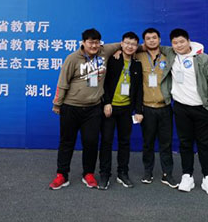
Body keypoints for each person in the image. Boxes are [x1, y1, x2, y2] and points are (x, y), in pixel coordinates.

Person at [49, 28, 122, 190]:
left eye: (97, 42)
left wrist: (121, 51)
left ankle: (88, 173)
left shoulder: (104, 51)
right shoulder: (73, 58)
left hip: (93, 109)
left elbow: (126, 44)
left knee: (91, 142)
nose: (94, 46)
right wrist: (57, 104)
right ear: (83, 42)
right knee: (67, 142)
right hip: (71, 107)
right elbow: (62, 82)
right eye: (90, 42)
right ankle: (62, 175)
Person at [168, 28, 208, 196]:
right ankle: (187, 176)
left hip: (202, 108)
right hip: (181, 108)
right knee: (185, 143)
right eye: (175, 43)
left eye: (182, 41)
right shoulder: (170, 55)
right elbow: (148, 47)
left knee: (204, 144)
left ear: (189, 41)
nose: (179, 45)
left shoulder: (203, 58)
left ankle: (207, 178)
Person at [133, 28, 179, 189]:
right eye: (148, 38)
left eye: (154, 38)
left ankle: (168, 174)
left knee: (166, 143)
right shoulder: (138, 55)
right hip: (147, 108)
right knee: (148, 143)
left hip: (165, 107)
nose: (151, 40)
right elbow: (124, 49)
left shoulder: (169, 55)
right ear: (144, 41)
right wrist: (119, 52)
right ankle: (148, 172)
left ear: (159, 39)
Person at [97, 31, 143, 190]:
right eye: (127, 43)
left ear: (137, 47)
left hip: (126, 109)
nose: (130, 46)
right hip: (110, 108)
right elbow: (104, 82)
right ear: (121, 44)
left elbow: (139, 90)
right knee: (106, 141)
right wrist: (106, 102)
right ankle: (104, 174)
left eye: (133, 44)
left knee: (124, 142)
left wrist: (138, 110)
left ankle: (123, 173)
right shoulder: (113, 60)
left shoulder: (137, 64)